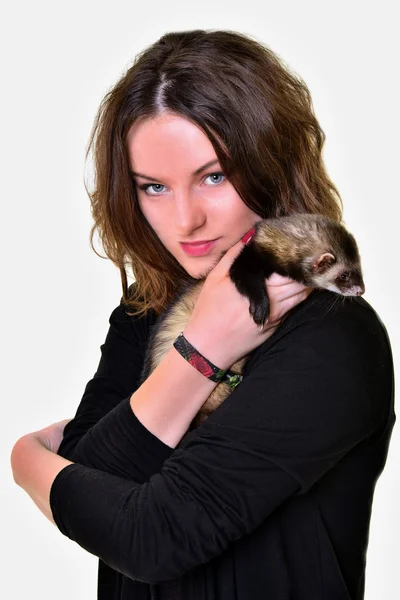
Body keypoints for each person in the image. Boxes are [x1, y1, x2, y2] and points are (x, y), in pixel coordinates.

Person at [10, 29, 395, 600]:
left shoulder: (335, 337)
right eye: (154, 187)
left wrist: (24, 463)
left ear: (272, 162)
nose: (185, 220)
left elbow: (151, 538)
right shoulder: (146, 307)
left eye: (213, 176)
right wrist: (204, 343)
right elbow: (88, 479)